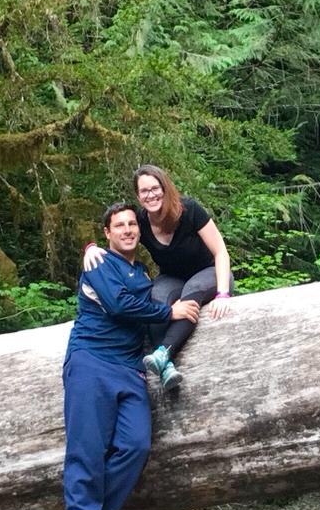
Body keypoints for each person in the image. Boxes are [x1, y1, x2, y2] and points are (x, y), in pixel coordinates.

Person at [61, 202, 200, 510]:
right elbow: (119, 306)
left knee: (136, 445)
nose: (127, 230)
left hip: (129, 367)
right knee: (87, 449)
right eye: (118, 225)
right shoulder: (99, 265)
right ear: (107, 233)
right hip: (91, 362)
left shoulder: (140, 272)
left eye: (131, 224)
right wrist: (171, 312)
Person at [82, 164, 232, 394]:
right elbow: (118, 232)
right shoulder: (140, 221)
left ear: (165, 187)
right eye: (144, 191)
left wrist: (223, 293)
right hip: (172, 278)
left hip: (208, 272)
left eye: (155, 188)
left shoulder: (189, 209)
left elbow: (220, 251)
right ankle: (166, 368)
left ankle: (163, 353)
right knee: (155, 297)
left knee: (191, 290)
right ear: (138, 196)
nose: (151, 195)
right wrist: (91, 248)